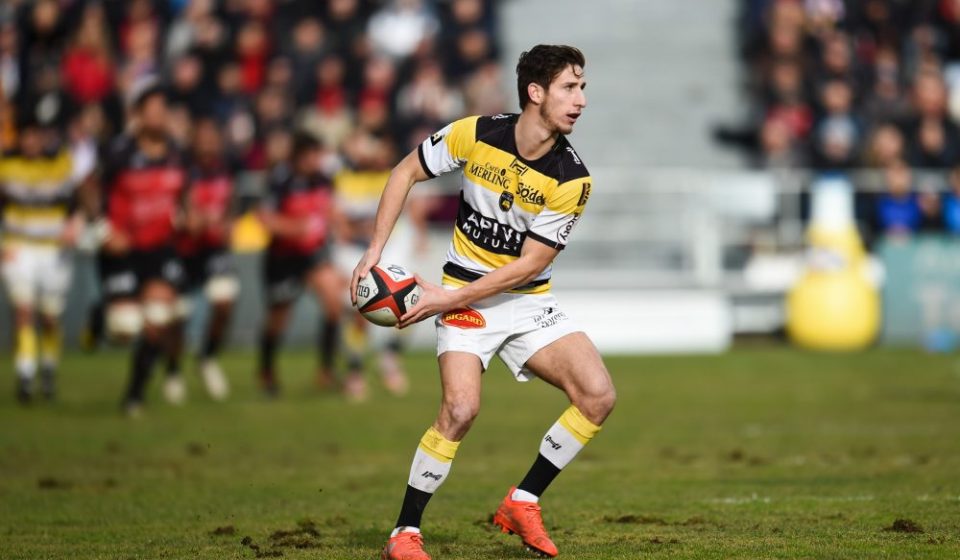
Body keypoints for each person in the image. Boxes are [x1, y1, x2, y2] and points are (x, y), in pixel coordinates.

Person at [351, 45, 617, 560]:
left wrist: (444, 298)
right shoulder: (475, 134)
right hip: (467, 301)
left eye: (583, 87)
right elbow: (404, 171)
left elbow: (529, 266)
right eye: (570, 87)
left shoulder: (572, 177)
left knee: (598, 395)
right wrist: (374, 253)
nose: (581, 99)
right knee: (460, 408)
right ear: (535, 93)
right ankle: (404, 535)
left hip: (523, 301)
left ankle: (523, 501)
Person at [94, 81, 188, 417]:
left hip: (158, 249)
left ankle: (134, 394)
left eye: (165, 110)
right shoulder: (118, 153)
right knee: (124, 328)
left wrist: (188, 218)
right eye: (154, 110)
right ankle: (97, 315)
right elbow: (90, 191)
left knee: (158, 319)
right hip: (121, 250)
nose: (161, 116)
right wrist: (103, 230)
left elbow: (184, 198)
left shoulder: (178, 153)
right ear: (138, 115)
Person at [0, 112, 95, 402]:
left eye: (35, 135)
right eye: (25, 135)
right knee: (24, 311)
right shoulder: (7, 164)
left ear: (43, 137)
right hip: (18, 246)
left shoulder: (62, 163)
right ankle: (26, 375)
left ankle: (49, 369)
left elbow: (86, 195)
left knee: (50, 316)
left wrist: (77, 222)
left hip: (54, 249)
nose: (30, 142)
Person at [256, 132, 344, 396]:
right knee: (278, 320)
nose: (318, 160)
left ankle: (326, 371)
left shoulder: (324, 181)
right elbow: (265, 218)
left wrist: (340, 225)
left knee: (333, 302)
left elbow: (329, 212)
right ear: (300, 156)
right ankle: (267, 372)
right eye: (313, 155)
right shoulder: (280, 181)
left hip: (312, 255)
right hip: (282, 257)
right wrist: (297, 228)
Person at [163, 117, 236, 403]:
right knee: (177, 316)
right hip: (183, 250)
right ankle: (173, 370)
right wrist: (184, 219)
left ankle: (207, 357)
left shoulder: (226, 168)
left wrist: (228, 222)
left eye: (212, 137)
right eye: (201, 137)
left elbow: (232, 203)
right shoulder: (180, 170)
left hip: (214, 249)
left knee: (225, 301)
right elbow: (174, 209)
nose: (207, 144)